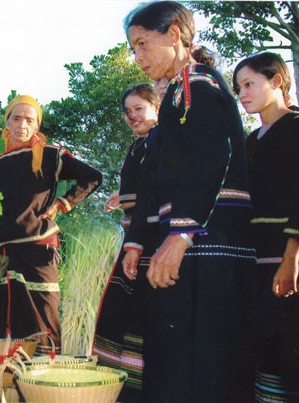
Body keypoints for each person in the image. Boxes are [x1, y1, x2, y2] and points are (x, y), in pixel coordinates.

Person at [123, 2, 256, 401]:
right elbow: (156, 179)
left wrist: (180, 237)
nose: (138, 57)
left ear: (175, 35)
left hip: (208, 249)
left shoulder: (198, 86)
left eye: (143, 44)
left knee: (204, 363)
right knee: (182, 360)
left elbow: (212, 158)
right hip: (195, 245)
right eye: (134, 48)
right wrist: (137, 239)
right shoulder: (179, 95)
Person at [0, 95, 102, 355]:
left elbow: (92, 177)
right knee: (8, 318)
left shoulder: (49, 155)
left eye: (29, 120)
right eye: (16, 118)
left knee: (43, 316)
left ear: (37, 126)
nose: (22, 124)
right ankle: (8, 382)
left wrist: (62, 204)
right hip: (3, 253)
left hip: (38, 248)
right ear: (7, 124)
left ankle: (44, 383)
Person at [233, 52, 299, 402]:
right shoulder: (250, 141)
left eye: (249, 84)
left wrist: (293, 259)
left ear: (276, 81)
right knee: (265, 347)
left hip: (288, 257)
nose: (242, 94)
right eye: (238, 88)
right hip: (257, 256)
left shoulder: (296, 128)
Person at [92, 83, 160, 400]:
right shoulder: (139, 145)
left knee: (139, 317)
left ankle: (137, 392)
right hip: (135, 234)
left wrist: (129, 200)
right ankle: (121, 388)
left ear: (156, 107)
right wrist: (124, 196)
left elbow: (154, 193)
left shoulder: (160, 141)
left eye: (139, 108)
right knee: (122, 315)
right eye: (128, 111)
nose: (132, 116)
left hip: (149, 238)